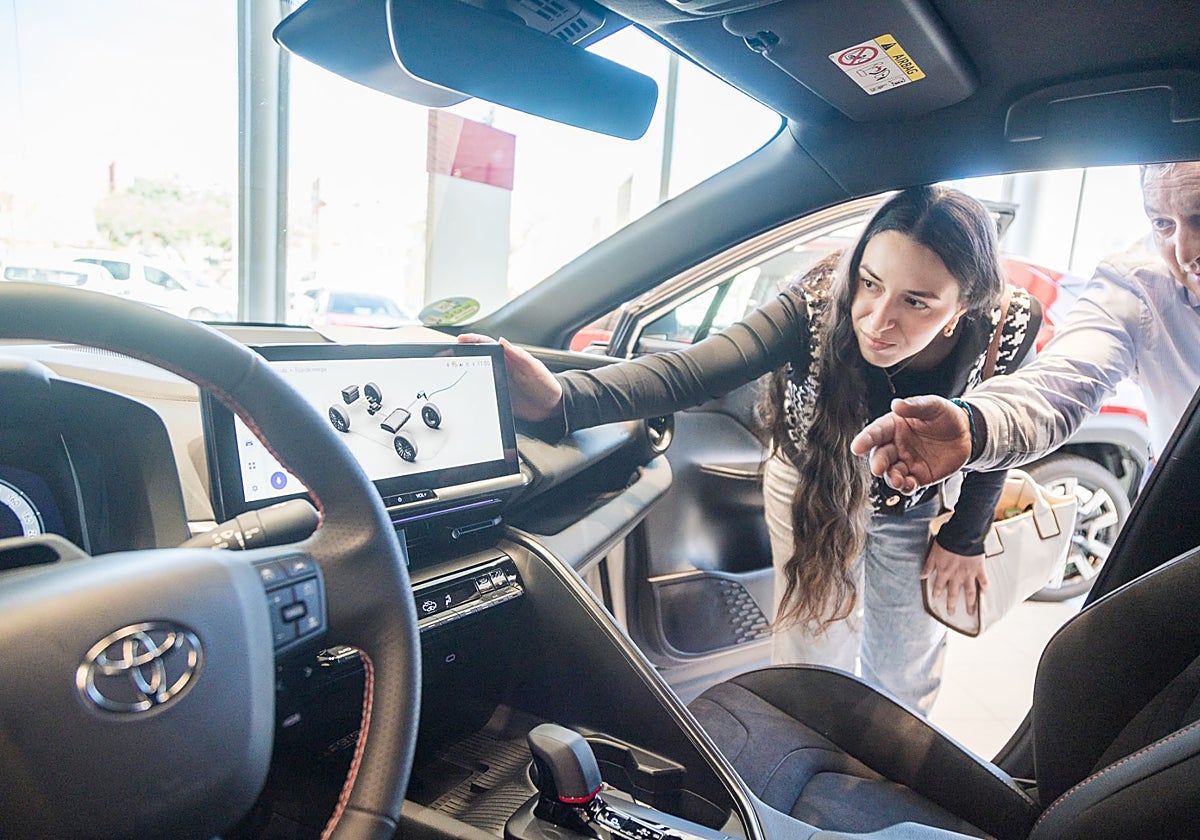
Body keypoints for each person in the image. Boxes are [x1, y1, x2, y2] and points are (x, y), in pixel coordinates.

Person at [462, 186, 1041, 713]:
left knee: (906, 669)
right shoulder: (818, 298)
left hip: (912, 504)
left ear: (961, 307)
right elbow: (694, 371)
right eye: (871, 283)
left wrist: (965, 537)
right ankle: (813, 759)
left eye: (916, 302)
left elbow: (1001, 433)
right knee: (812, 657)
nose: (878, 320)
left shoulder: (1007, 324)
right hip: (812, 480)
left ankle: (893, 777)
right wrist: (561, 401)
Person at [851, 162, 1200, 496]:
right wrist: (975, 426)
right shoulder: (1138, 286)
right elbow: (1057, 386)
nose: (1184, 253)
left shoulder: (1011, 320)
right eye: (1161, 223)